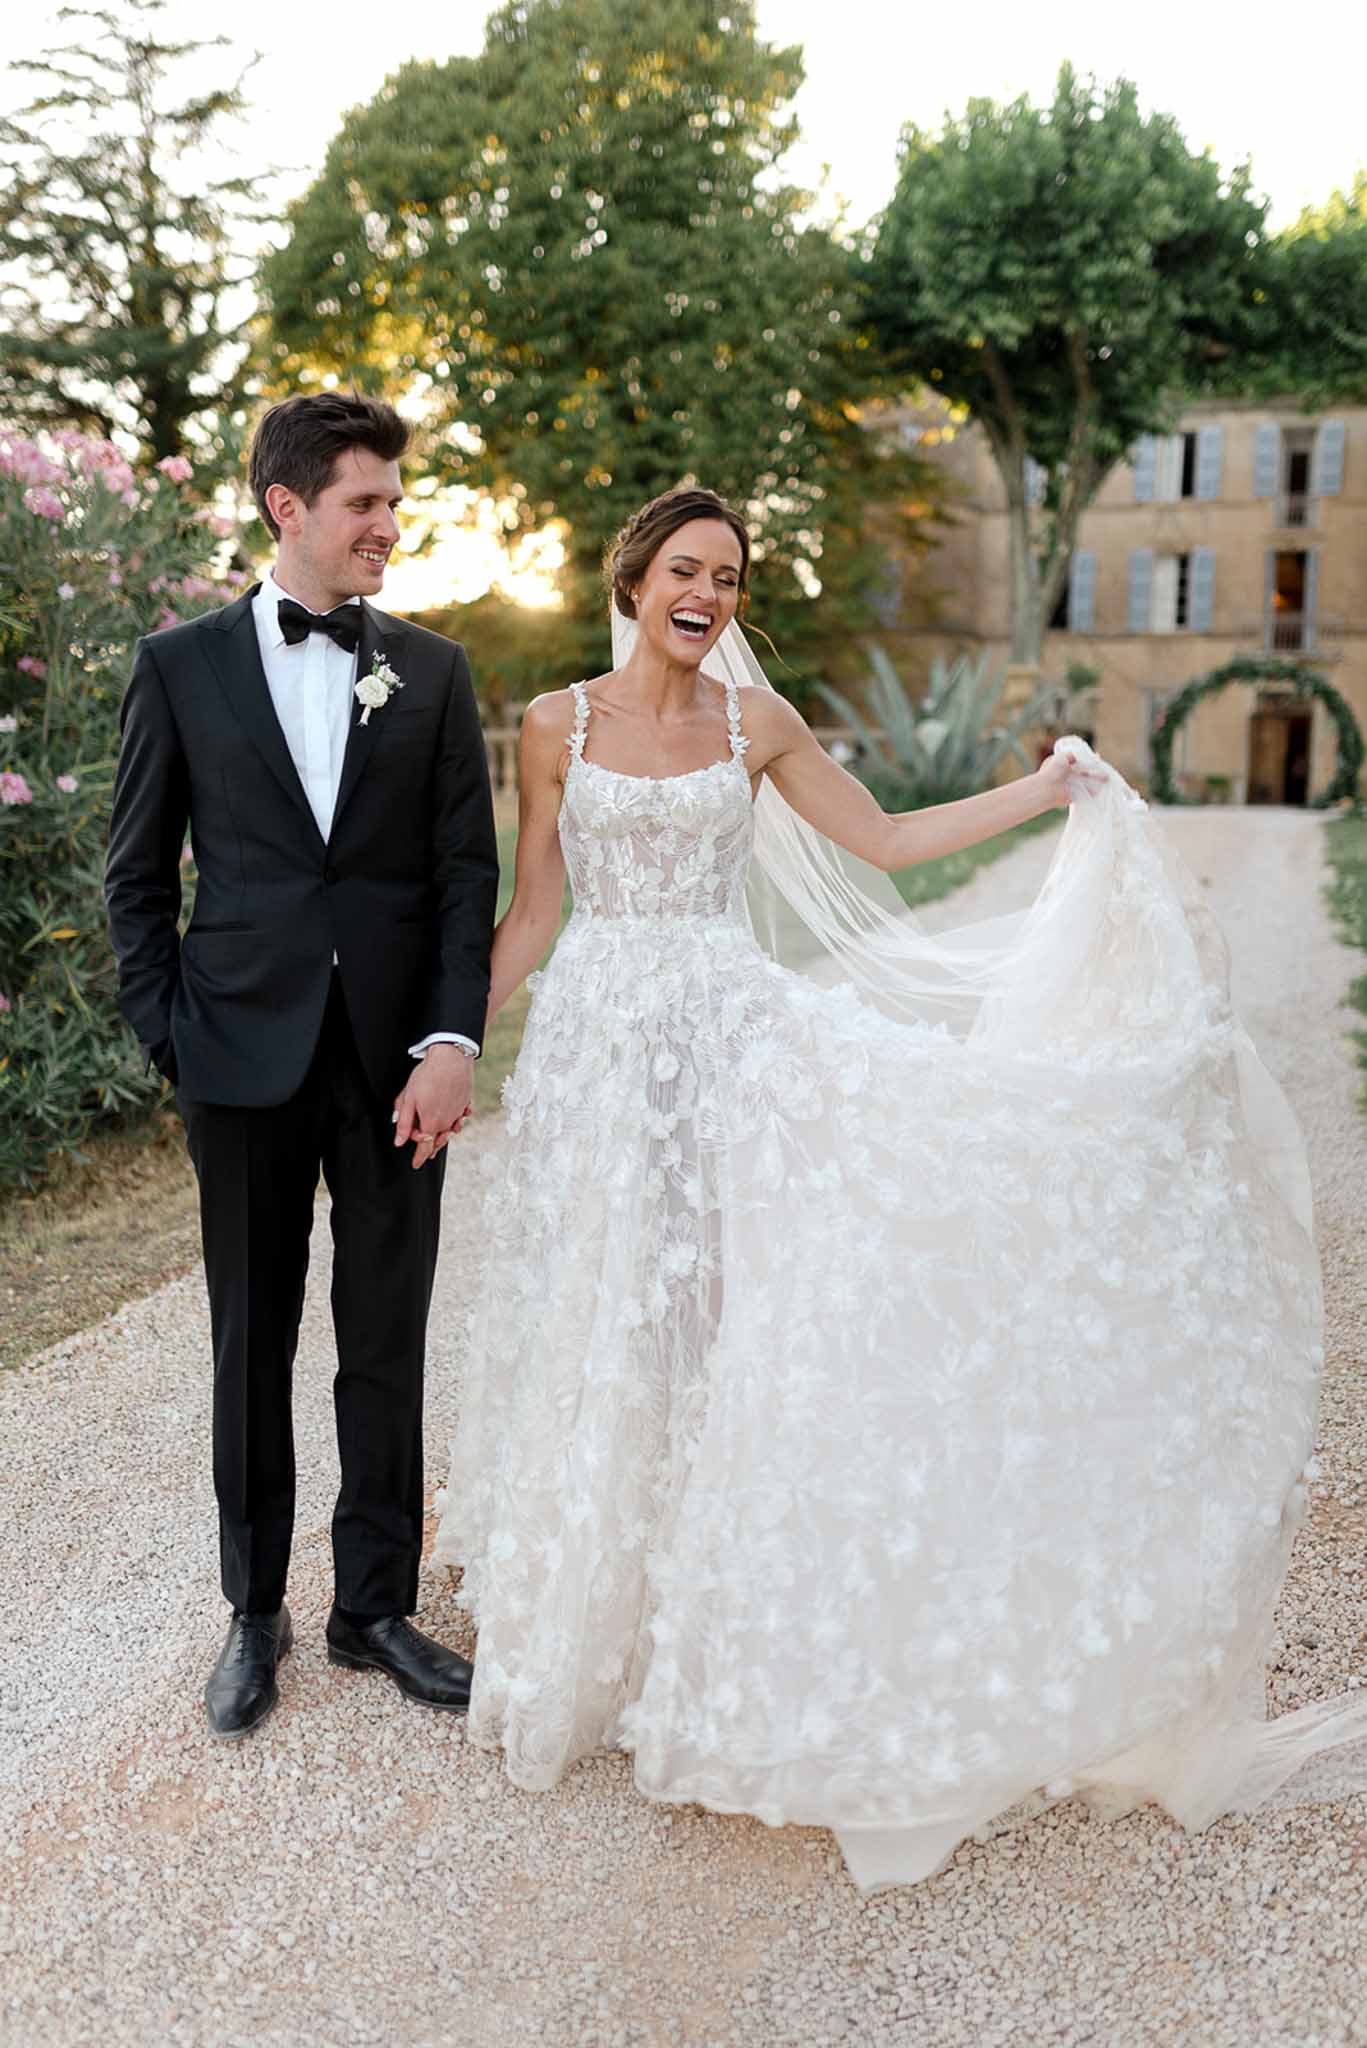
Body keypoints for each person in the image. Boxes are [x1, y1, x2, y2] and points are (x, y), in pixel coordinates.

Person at [433, 483, 1362, 1889]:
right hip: (593, 1060)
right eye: (687, 570)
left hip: (730, 1046)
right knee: (602, 1314)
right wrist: (448, 1039)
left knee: (719, 1317)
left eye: (730, 578)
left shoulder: (762, 727)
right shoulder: (555, 725)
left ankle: (708, 1632)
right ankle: (590, 1636)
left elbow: (888, 842)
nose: (708, 594)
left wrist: (1047, 789)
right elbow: (541, 905)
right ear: (634, 580)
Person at [106, 393, 498, 1738]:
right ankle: (254, 1611)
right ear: (289, 509)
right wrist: (175, 1039)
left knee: (384, 1341)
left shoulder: (437, 672)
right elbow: (136, 881)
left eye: (394, 501)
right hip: (239, 1057)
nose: (390, 523)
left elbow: (464, 881)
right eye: (365, 503)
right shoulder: (179, 668)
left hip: (397, 1067)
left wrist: (452, 1043)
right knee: (248, 1340)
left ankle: (373, 1609)